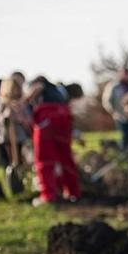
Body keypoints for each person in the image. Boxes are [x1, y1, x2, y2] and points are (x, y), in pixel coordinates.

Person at [24, 76, 83, 206]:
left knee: (45, 161)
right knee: (66, 159)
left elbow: (38, 87)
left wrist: (26, 100)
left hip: (47, 120)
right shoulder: (58, 92)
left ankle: (48, 196)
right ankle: (73, 192)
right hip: (64, 120)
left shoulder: (42, 85)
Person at [0, 72, 31, 166]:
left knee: (20, 162)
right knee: (8, 163)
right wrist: (4, 116)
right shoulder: (2, 101)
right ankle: (11, 178)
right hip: (6, 137)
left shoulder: (23, 102)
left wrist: (21, 118)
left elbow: (29, 119)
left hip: (20, 137)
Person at [102, 67, 128, 150]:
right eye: (126, 75)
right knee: (125, 136)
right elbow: (107, 101)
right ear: (121, 74)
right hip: (120, 116)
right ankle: (122, 155)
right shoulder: (114, 86)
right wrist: (113, 112)